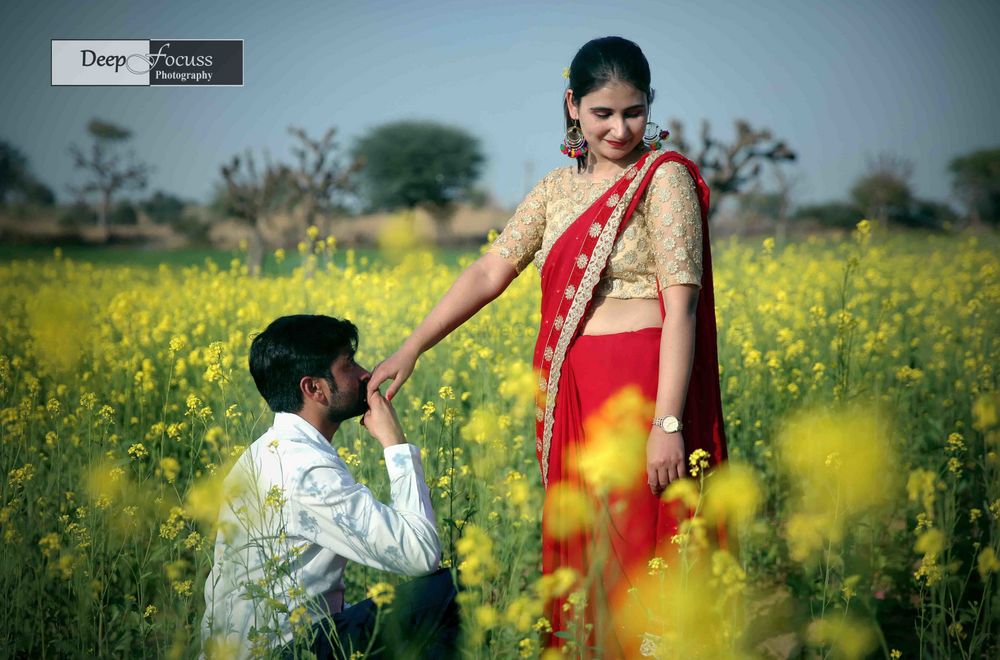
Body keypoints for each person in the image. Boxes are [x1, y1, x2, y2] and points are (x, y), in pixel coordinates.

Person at [369, 36, 727, 654]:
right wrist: (413, 347)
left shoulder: (662, 179)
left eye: (634, 111)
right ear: (572, 107)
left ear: (650, 107)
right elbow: (489, 272)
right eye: (602, 113)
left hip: (642, 390)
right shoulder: (554, 190)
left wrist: (667, 421)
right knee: (589, 551)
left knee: (644, 548)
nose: (619, 128)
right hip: (576, 390)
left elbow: (682, 309)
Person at [200, 314, 459, 660]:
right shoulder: (305, 472)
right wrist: (395, 445)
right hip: (282, 651)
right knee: (453, 591)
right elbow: (420, 554)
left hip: (253, 648)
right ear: (314, 388)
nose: (366, 373)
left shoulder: (266, 451)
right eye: (348, 364)